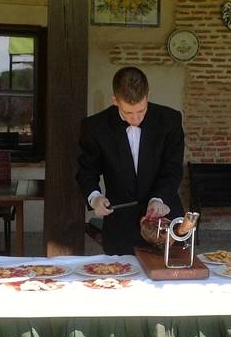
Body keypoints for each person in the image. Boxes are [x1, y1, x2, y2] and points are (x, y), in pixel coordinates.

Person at [77, 66, 185, 256]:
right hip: (120, 225)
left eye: (141, 111)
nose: (135, 118)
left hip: (164, 220)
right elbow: (87, 170)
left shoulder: (170, 120)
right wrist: (95, 197)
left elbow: (173, 168)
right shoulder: (95, 127)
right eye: (128, 112)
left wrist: (158, 198)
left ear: (148, 94)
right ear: (115, 100)